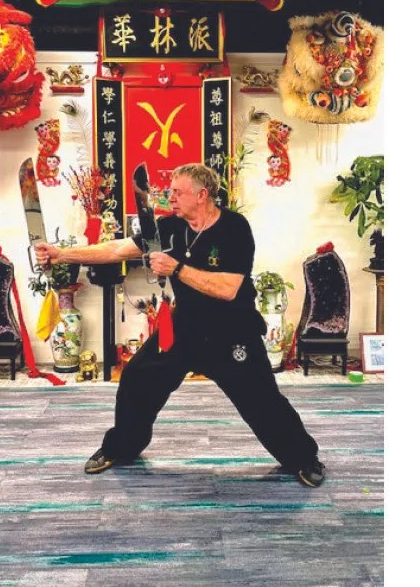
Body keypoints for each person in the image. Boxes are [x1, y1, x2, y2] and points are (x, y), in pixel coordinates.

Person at [37, 161, 326, 486]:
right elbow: (116, 249)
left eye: (178, 192)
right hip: (186, 327)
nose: (169, 197)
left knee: (262, 401)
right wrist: (63, 254)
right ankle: (123, 447)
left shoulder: (234, 228)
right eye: (169, 191)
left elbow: (228, 289)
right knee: (136, 379)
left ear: (202, 195)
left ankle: (303, 458)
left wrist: (177, 269)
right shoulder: (169, 227)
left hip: (232, 330)